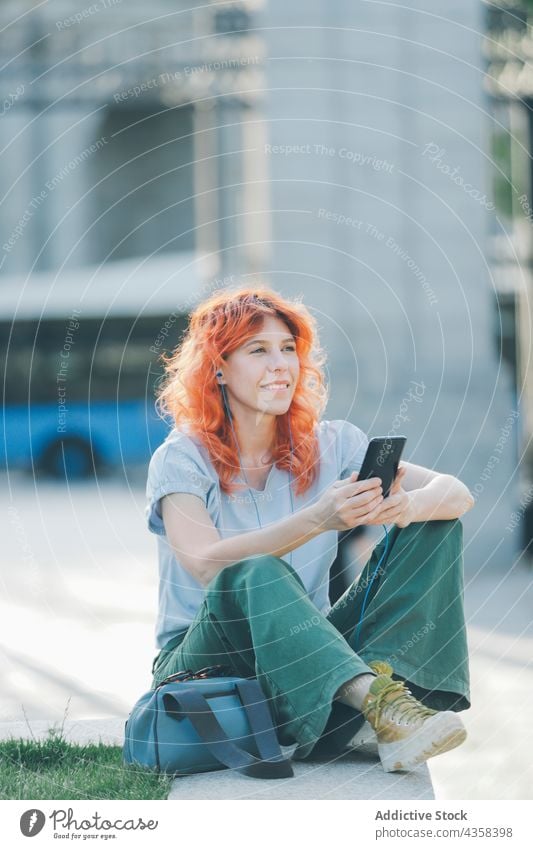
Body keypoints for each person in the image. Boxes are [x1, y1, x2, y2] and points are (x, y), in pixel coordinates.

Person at [146, 286, 474, 773]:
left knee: (434, 524)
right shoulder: (182, 457)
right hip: (205, 665)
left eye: (288, 350)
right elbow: (206, 564)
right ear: (217, 368)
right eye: (258, 350)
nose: (280, 364)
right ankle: (380, 707)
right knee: (253, 571)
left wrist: (401, 506)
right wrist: (319, 518)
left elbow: (458, 494)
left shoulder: (333, 442)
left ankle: (383, 701)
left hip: (310, 659)